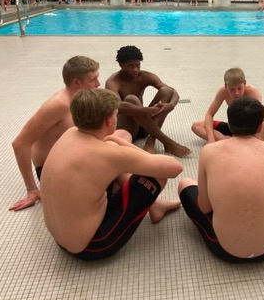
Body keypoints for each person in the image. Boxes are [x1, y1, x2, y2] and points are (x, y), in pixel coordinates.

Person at [40, 88, 183, 261]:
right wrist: (124, 144)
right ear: (109, 121)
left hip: (61, 237)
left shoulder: (69, 133)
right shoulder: (107, 155)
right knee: (157, 174)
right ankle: (154, 205)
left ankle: (155, 205)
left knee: (116, 159)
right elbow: (174, 168)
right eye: (116, 115)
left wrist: (117, 144)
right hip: (92, 245)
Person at [179, 97, 264, 263]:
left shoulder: (209, 152)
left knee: (185, 184)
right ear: (260, 126)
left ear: (230, 125)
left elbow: (204, 207)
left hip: (222, 249)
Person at [9, 56, 130, 211]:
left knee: (123, 134)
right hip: (55, 171)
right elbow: (20, 143)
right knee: (117, 159)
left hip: (76, 158)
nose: (98, 84)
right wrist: (31, 189)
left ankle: (134, 191)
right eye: (93, 80)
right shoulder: (58, 105)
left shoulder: (79, 101)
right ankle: (151, 203)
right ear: (76, 83)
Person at [106, 46, 192, 157]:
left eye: (138, 65)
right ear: (121, 65)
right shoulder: (113, 82)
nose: (135, 70)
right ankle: (167, 142)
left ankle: (151, 141)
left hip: (144, 126)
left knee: (166, 91)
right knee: (131, 99)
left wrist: (170, 105)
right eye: (130, 66)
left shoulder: (144, 76)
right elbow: (119, 107)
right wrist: (150, 110)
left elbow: (173, 92)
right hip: (126, 128)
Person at [191, 68, 262, 143]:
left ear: (244, 83)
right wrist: (211, 138)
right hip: (233, 128)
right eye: (232, 89)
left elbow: (260, 118)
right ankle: (229, 141)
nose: (236, 93)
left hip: (249, 131)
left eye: (239, 88)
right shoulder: (223, 91)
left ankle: (233, 142)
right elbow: (209, 114)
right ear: (226, 86)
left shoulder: (252, 92)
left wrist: (255, 139)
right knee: (196, 126)